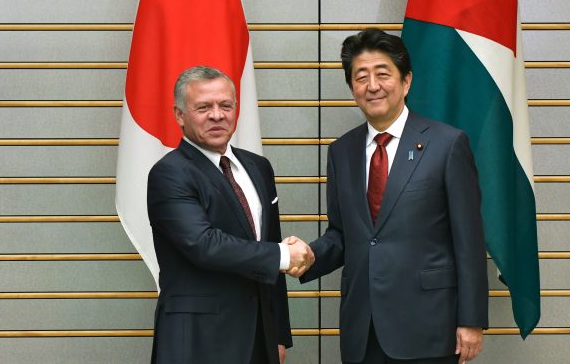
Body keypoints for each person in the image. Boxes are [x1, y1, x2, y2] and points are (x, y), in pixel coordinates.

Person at [299, 29, 488, 364]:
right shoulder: (341, 151)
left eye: (383, 74)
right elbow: (343, 234)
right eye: (361, 77)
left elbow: (469, 240)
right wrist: (308, 256)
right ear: (352, 87)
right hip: (363, 329)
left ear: (406, 81)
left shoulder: (447, 144)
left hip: (429, 327)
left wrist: (471, 319)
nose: (372, 86)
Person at [147, 66, 315, 364]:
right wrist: (285, 256)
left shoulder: (258, 167)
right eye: (203, 107)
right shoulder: (169, 173)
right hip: (198, 341)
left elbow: (270, 243)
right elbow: (204, 245)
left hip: (258, 339)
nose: (217, 115)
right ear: (179, 115)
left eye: (226, 105)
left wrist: (277, 334)